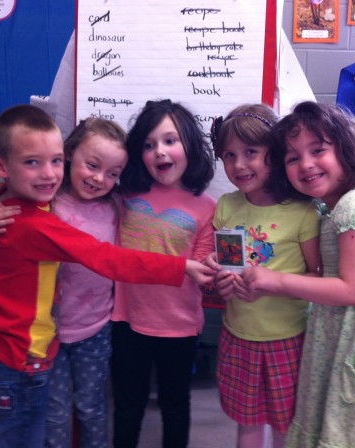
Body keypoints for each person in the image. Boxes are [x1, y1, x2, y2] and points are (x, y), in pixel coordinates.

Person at [0, 104, 214, 448]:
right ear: (73, 156)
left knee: (79, 409)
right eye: (33, 162)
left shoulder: (105, 203)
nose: (48, 173)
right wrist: (179, 267)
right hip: (28, 350)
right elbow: (108, 258)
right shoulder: (43, 213)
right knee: (38, 422)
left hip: (83, 330)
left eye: (52, 161)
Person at [236, 101, 355, 448]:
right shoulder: (334, 208)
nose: (306, 164)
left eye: (318, 150)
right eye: (293, 158)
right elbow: (328, 282)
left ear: (348, 150)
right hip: (350, 333)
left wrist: (274, 280)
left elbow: (353, 290)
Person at [205, 104, 321, 448]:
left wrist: (273, 284)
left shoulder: (304, 213)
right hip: (238, 336)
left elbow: (319, 278)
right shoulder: (226, 205)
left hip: (287, 339)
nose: (239, 165)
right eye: (229, 155)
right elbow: (222, 267)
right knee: (247, 423)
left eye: (251, 152)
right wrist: (218, 277)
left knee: (287, 427)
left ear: (275, 152)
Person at [110, 99, 216, 448]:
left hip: (179, 324)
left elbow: (201, 264)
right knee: (128, 405)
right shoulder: (124, 194)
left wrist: (214, 268)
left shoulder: (206, 207)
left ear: (189, 144)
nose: (159, 152)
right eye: (149, 144)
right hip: (127, 320)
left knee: (174, 405)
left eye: (170, 141)